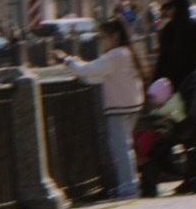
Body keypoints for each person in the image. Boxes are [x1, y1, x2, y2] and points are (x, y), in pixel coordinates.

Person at [61, 18, 145, 198]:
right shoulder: (127, 52)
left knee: (120, 148)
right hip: (133, 104)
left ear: (114, 36)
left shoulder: (114, 55)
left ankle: (129, 187)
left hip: (119, 107)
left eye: (102, 37)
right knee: (125, 147)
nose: (100, 41)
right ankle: (129, 184)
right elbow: (100, 75)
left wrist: (67, 60)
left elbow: (88, 69)